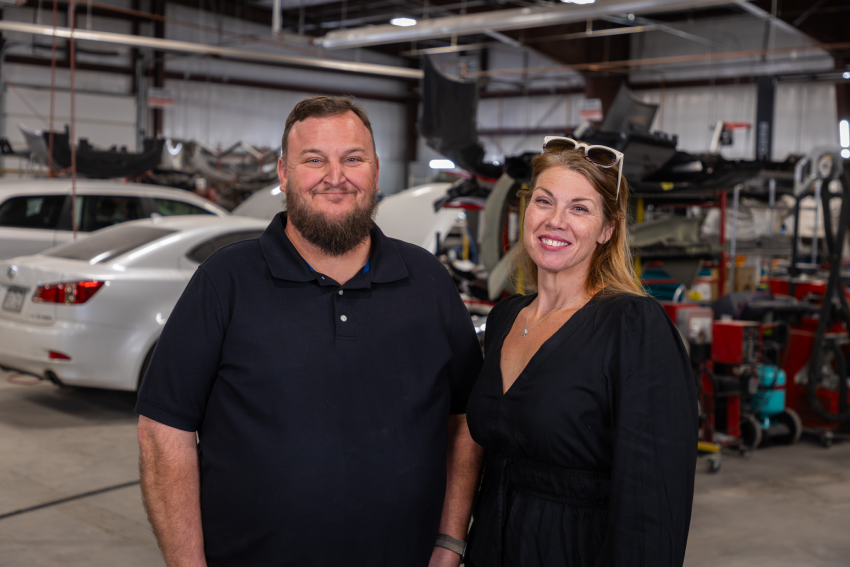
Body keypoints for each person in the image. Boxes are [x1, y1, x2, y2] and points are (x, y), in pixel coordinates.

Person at [135, 96, 484, 567]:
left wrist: (450, 540)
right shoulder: (226, 280)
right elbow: (163, 431)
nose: (335, 177)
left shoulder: (426, 280)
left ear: (376, 171)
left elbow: (466, 420)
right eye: (314, 159)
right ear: (283, 173)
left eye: (353, 159)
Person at [464, 137, 698, 566]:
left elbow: (653, 502)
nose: (556, 221)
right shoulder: (504, 318)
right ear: (525, 210)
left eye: (579, 208)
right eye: (544, 201)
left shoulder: (633, 326)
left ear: (607, 229)